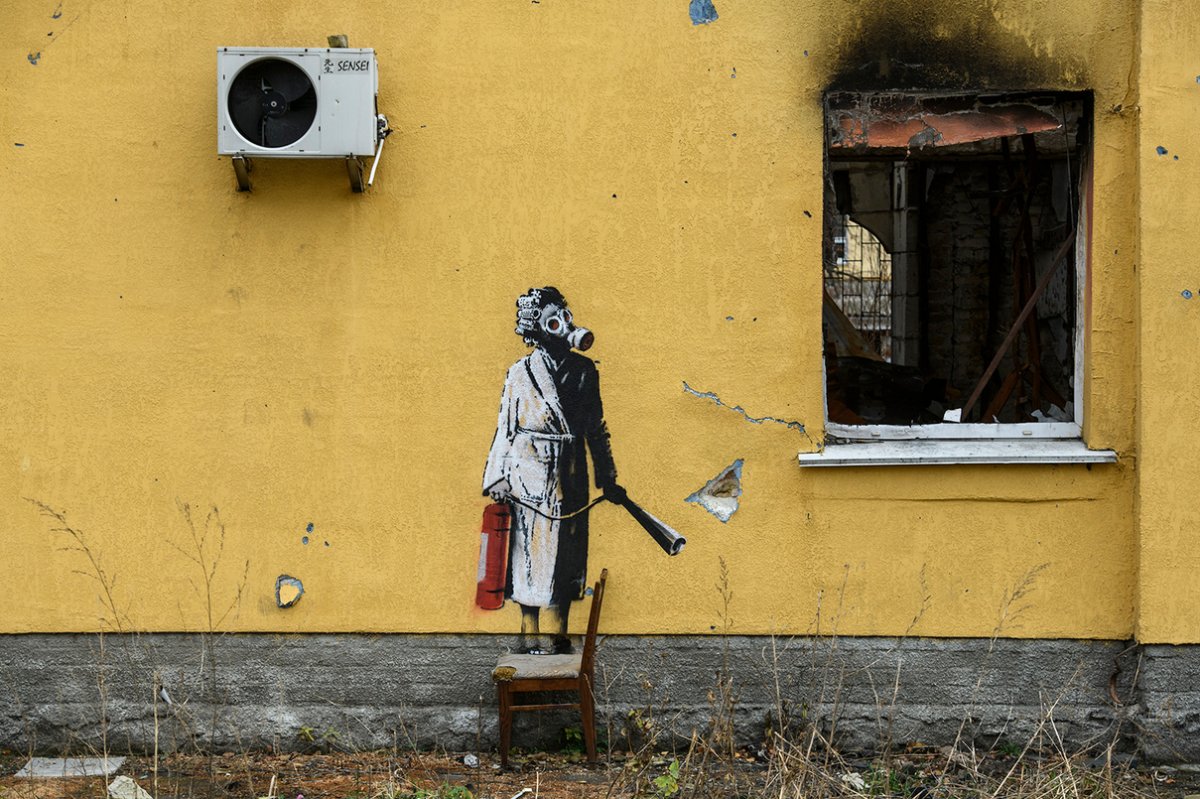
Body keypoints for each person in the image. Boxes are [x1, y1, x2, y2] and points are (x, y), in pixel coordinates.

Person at [482, 287, 625, 654]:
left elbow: (596, 427)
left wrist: (607, 477)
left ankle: (560, 635)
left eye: (564, 313)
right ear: (538, 327)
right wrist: (497, 477)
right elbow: (506, 427)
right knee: (528, 557)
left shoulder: (584, 371)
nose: (563, 323)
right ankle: (529, 633)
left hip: (570, 470)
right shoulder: (519, 373)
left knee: (566, 557)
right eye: (553, 317)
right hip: (527, 474)